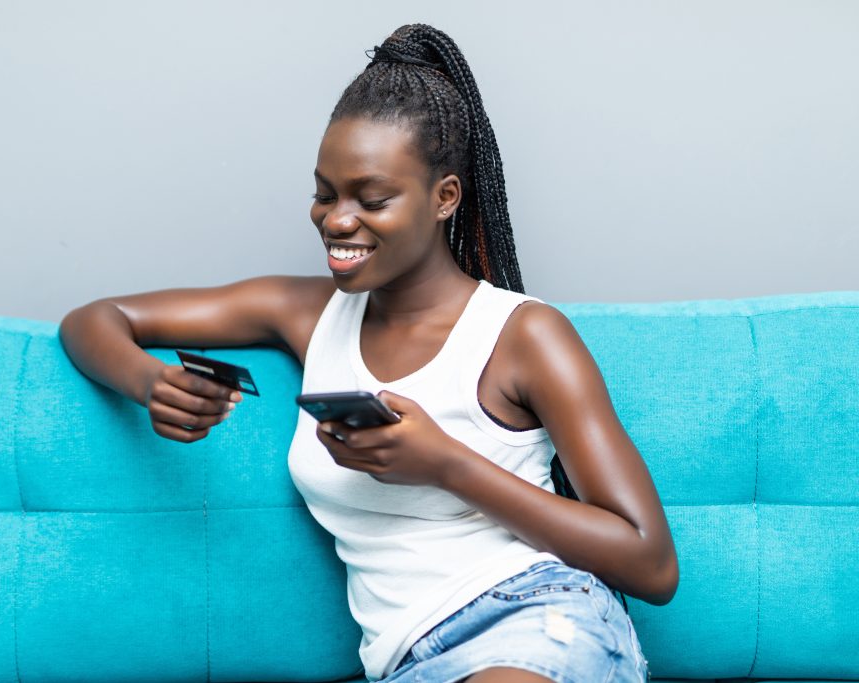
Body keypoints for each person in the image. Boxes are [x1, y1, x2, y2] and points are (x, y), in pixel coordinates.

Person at [59, 23, 676, 683]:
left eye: (371, 198)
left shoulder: (524, 334)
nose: (336, 219)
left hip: (535, 622)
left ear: (444, 198)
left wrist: (445, 463)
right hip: (410, 662)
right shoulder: (307, 313)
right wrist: (151, 382)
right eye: (325, 193)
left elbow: (650, 562)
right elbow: (94, 320)